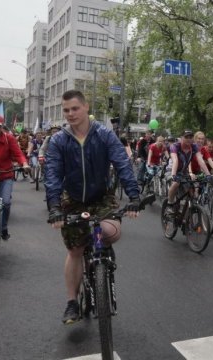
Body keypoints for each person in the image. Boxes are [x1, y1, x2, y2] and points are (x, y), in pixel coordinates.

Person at [45, 90, 141, 324]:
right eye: (66, 110)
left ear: (86, 107)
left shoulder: (104, 135)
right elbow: (53, 175)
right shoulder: (59, 140)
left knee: (108, 231)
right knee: (75, 251)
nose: (70, 114)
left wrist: (134, 196)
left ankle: (101, 257)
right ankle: (71, 302)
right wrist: (55, 207)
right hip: (73, 199)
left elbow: (122, 163)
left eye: (75, 108)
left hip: (101, 197)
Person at [166, 130, 212, 210]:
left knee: (191, 190)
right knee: (176, 183)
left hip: (183, 172)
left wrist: (208, 174)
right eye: (186, 137)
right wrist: (173, 175)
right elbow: (175, 161)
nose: (188, 139)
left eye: (190, 137)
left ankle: (188, 213)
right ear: (181, 138)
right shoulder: (175, 146)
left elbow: (200, 160)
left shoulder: (194, 146)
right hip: (171, 170)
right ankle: (169, 204)